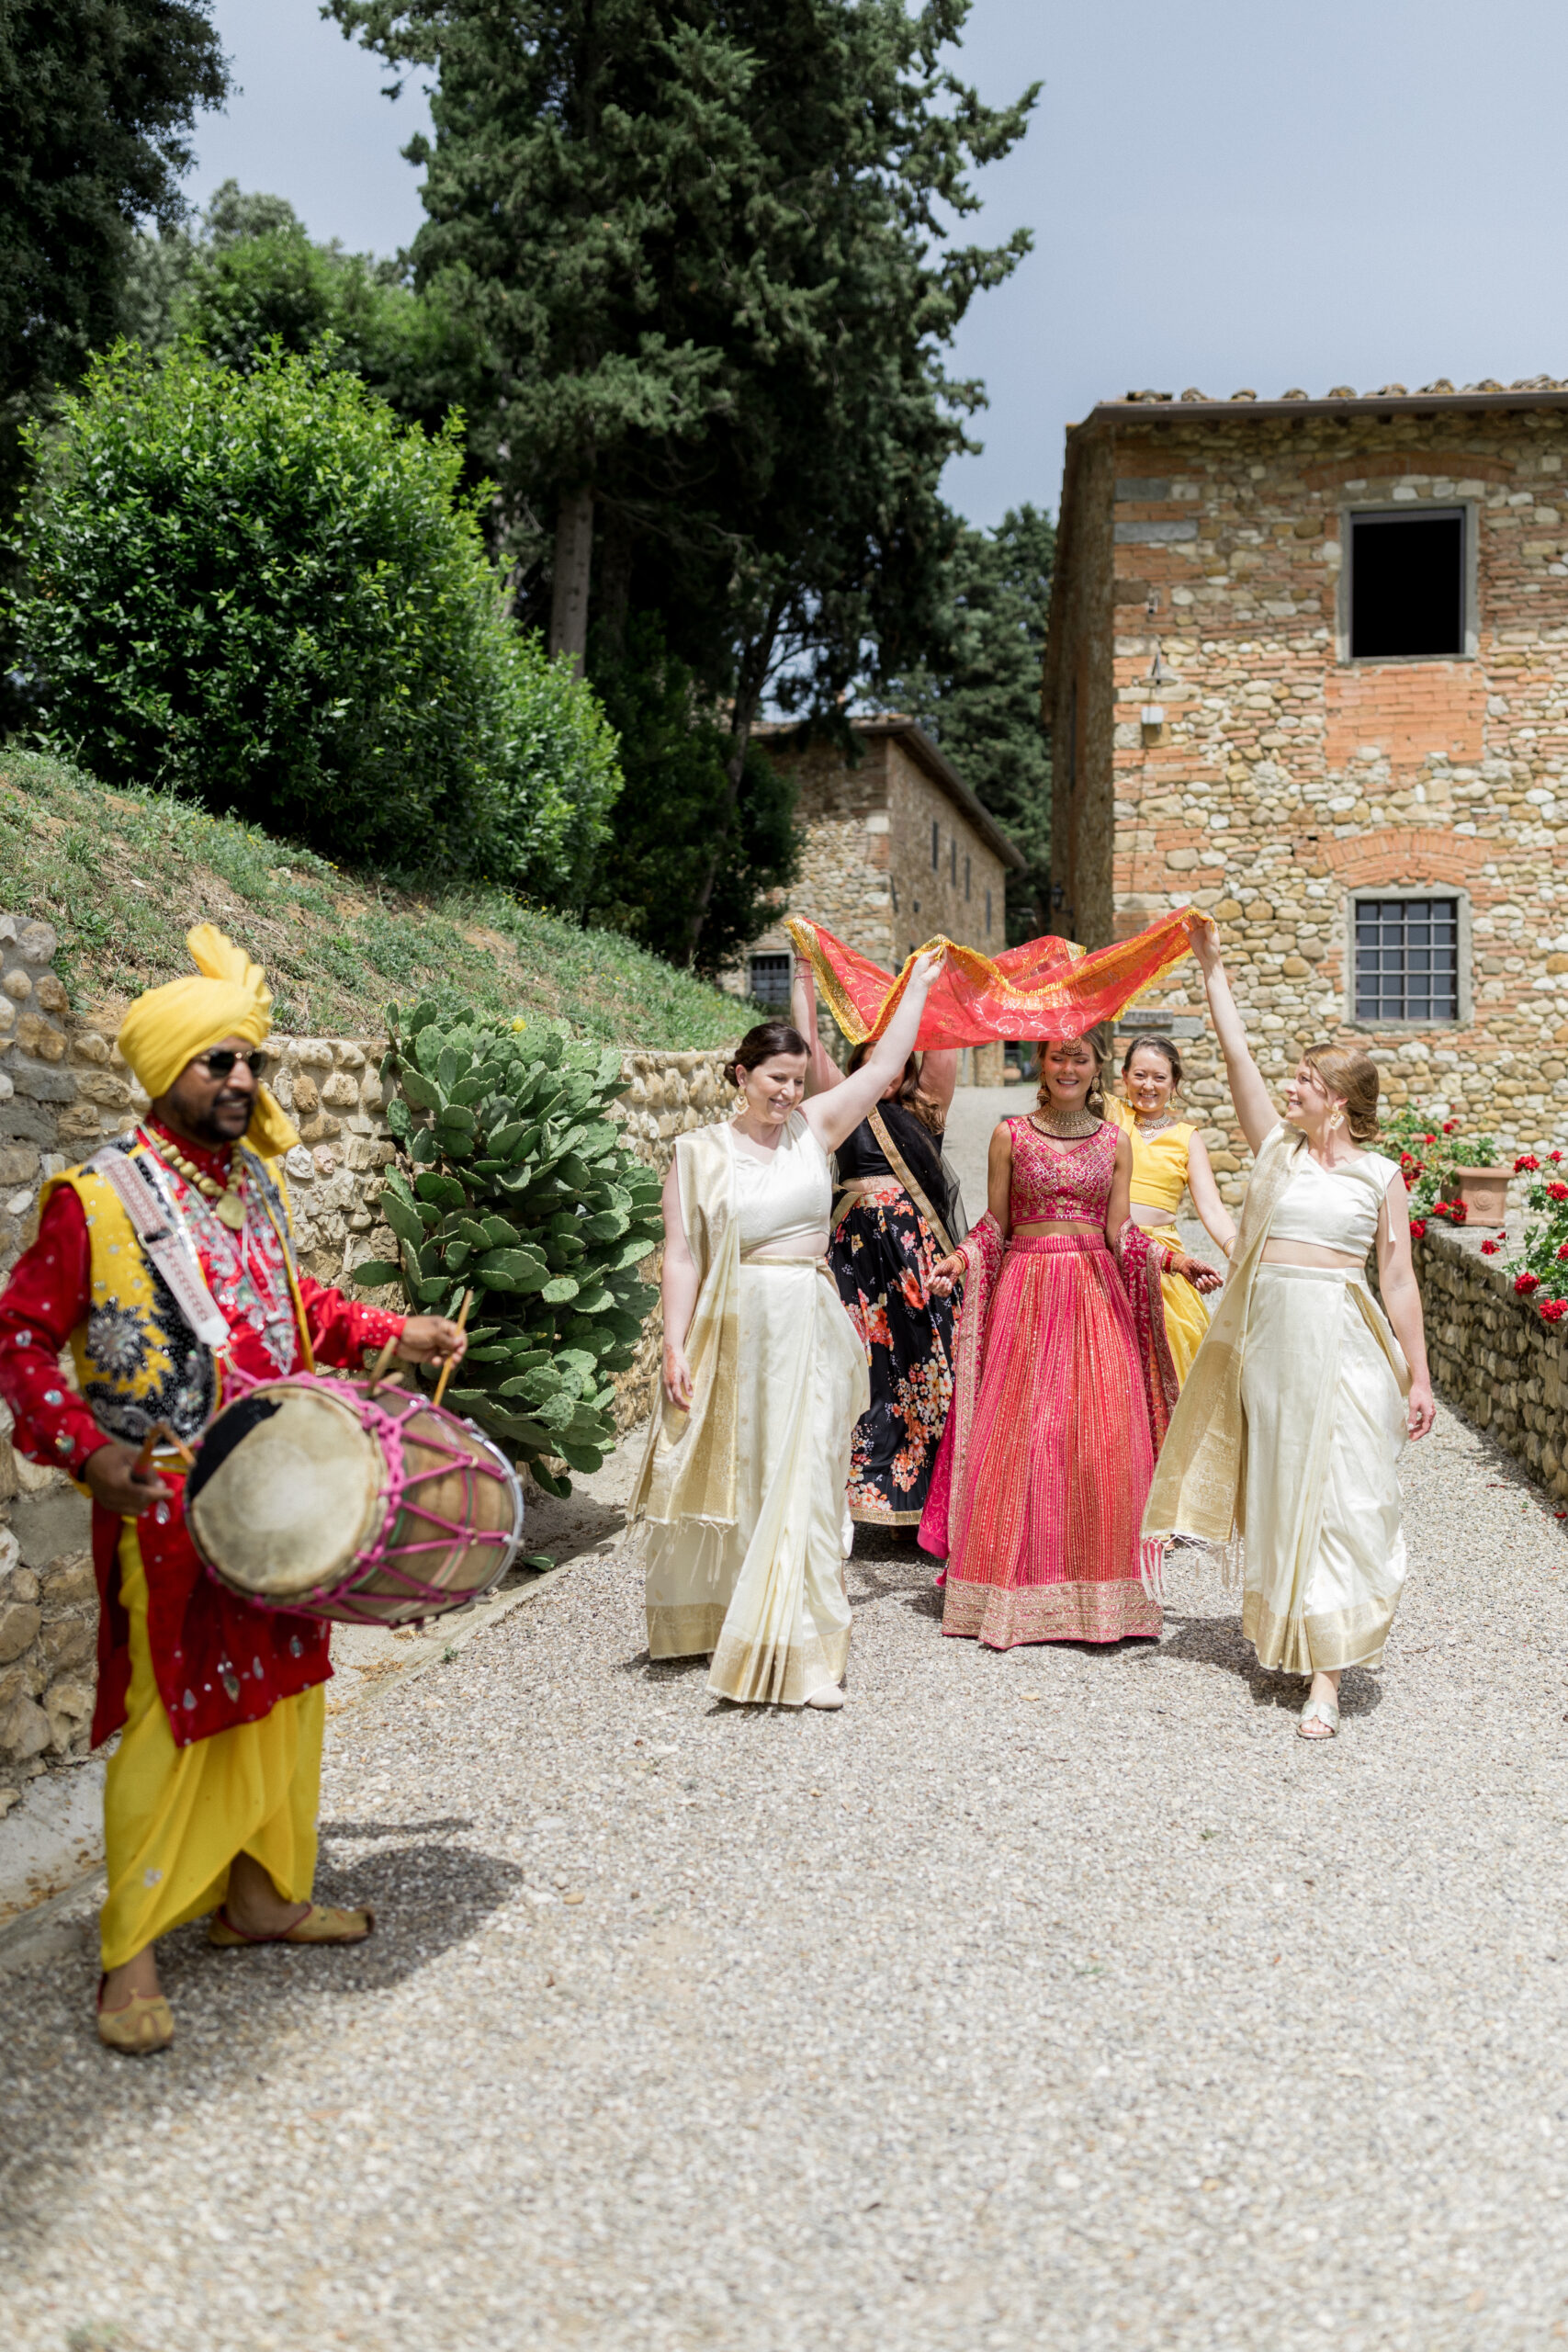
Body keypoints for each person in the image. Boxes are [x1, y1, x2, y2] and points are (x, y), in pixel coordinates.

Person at [0, 927, 467, 2052]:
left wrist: (387, 1330)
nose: (241, 1081)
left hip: (275, 1492)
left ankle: (262, 1899)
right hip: (167, 1508)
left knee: (288, 1702)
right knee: (174, 1719)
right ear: (168, 1072)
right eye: (218, 1063)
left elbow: (294, 1302)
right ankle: (129, 1951)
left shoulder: (251, 1183)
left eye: (250, 1061)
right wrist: (82, 1450)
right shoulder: (95, 1199)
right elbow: (19, 1334)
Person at [1144, 919, 1435, 1740]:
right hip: (1273, 1345)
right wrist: (1212, 973)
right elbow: (1238, 1061)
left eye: (1305, 1079)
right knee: (1278, 1490)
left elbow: (1398, 1281)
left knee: (1343, 1494)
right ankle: (1291, 1632)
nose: (1292, 1087)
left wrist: (1419, 1376)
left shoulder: (1380, 1176)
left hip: (1344, 1345)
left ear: (1336, 1100)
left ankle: (1327, 1678)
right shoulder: (1277, 1151)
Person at [633, 951, 947, 1709]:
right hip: (731, 1323)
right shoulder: (697, 1153)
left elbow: (884, 1069)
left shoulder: (815, 1129)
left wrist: (920, 989)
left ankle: (800, 1650)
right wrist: (674, 1343)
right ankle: (732, 1618)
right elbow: (679, 1256)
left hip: (806, 1317)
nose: (788, 1092)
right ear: (739, 1075)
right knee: (740, 1470)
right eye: (775, 1077)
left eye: (797, 1080)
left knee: (805, 1475)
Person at [919, 1032, 1216, 1649]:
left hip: (1093, 1291)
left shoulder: (1114, 1141)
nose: (1067, 1066)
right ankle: (1013, 1591)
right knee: (1024, 1435)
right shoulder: (1010, 1134)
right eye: (1057, 1056)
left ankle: (1100, 1598)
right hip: (1026, 1290)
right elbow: (995, 1222)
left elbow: (1120, 1231)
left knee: (1099, 1435)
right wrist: (961, 1258)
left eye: (1079, 1057)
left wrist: (1172, 1264)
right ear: (1041, 1064)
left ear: (1095, 1067)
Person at [790, 960, 964, 1529]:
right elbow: (809, 1042)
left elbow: (946, 1047)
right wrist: (802, 977)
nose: (883, 1071)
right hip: (854, 1257)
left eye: (894, 1062)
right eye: (872, 1058)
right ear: (859, 1064)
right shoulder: (839, 1104)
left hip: (913, 1257)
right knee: (859, 1362)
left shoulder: (924, 1108)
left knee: (927, 1361)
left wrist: (942, 984)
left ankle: (933, 1497)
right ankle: (859, 1491)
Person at [1103, 1036, 1233, 1386]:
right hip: (1107, 1252)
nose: (1148, 1086)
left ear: (1174, 1083)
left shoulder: (1187, 1137)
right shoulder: (1109, 1115)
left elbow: (1211, 1206)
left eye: (1159, 1078)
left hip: (1164, 1258)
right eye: (1140, 1075)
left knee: (1171, 1356)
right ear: (1124, 1075)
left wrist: (1236, 1249)